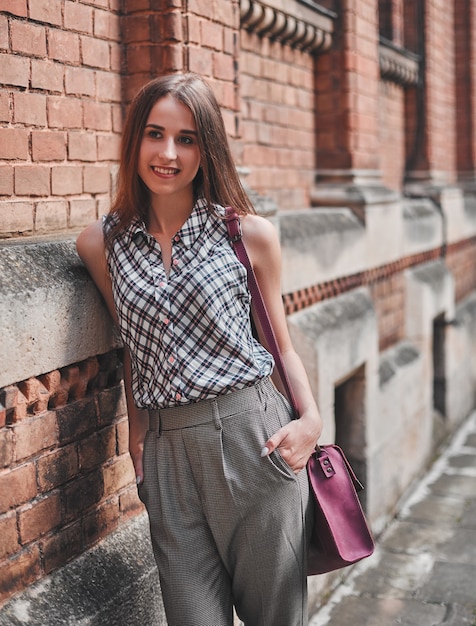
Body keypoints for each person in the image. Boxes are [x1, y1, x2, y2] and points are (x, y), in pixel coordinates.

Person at [76, 72, 322, 626]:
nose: (168, 153)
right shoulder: (102, 243)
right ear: (134, 139)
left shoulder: (249, 235)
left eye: (186, 138)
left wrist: (310, 419)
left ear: (206, 148)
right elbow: (133, 346)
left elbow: (280, 344)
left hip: (255, 438)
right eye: (155, 134)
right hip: (166, 455)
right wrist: (139, 432)